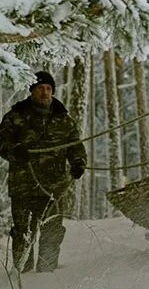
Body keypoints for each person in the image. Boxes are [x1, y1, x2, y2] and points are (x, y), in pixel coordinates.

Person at [0, 71, 87, 272]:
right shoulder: (16, 116)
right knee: (23, 232)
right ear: (32, 91)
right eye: (40, 88)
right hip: (23, 188)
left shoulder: (63, 119)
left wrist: (78, 163)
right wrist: (15, 151)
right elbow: (2, 143)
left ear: (53, 92)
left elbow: (76, 147)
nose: (44, 92)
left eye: (48, 89)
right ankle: (23, 274)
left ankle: (47, 275)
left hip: (54, 189)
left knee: (52, 231)